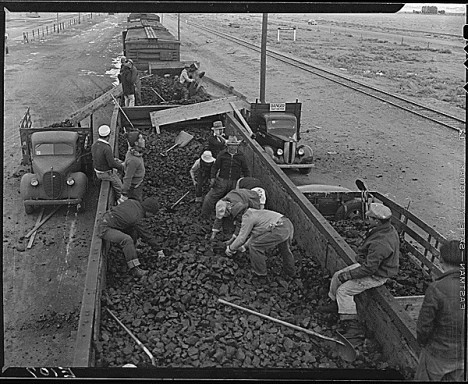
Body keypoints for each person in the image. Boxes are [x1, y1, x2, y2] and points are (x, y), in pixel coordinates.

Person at [318, 203, 400, 337]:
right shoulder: (385, 229)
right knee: (337, 276)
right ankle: (336, 305)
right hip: (369, 265)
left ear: (377, 221)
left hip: (377, 275)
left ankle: (352, 326)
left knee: (343, 291)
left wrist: (350, 275)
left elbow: (369, 269)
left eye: (370, 218)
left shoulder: (381, 243)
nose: (367, 220)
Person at [414, 239, 465, 382]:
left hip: (439, 353)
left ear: (441, 259)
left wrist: (423, 343)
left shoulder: (437, 288)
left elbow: (424, 325)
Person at [225, 203, 296, 278]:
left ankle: (260, 273)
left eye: (236, 219)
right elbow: (256, 235)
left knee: (255, 246)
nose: (236, 222)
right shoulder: (253, 212)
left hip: (279, 228)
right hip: (286, 224)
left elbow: (241, 238)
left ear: (239, 215)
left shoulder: (247, 217)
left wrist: (230, 249)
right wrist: (245, 247)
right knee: (285, 249)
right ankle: (291, 272)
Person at [97, 197, 160, 278]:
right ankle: (134, 269)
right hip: (105, 227)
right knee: (127, 240)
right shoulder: (137, 217)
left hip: (109, 218)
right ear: (148, 211)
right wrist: (158, 249)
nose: (152, 216)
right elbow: (146, 234)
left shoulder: (133, 202)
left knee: (133, 229)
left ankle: (132, 249)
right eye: (152, 214)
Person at [201, 135, 250, 218]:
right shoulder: (222, 154)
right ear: (228, 146)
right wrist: (212, 178)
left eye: (234, 145)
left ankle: (230, 218)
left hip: (234, 181)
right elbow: (215, 167)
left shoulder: (241, 156)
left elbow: (245, 170)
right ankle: (205, 215)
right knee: (210, 197)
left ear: (237, 146)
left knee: (234, 201)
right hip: (222, 180)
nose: (232, 147)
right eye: (231, 145)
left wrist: (247, 182)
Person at [91, 124, 124, 202]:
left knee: (118, 162)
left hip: (97, 171)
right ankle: (120, 202)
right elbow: (111, 164)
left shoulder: (95, 145)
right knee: (120, 187)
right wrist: (122, 167)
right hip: (105, 173)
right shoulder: (106, 148)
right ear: (108, 136)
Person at [120, 131, 146, 203]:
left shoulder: (133, 151)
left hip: (138, 183)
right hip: (134, 188)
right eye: (141, 139)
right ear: (136, 143)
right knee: (137, 203)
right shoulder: (133, 161)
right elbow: (128, 177)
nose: (144, 140)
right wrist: (124, 193)